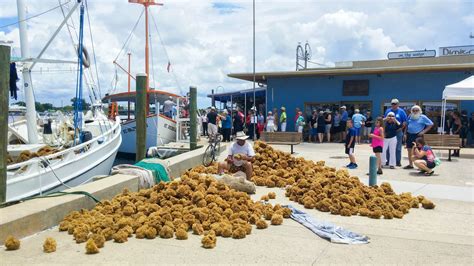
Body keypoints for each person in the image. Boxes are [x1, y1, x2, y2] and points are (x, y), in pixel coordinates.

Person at [404, 105, 433, 169]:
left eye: (416, 110)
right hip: (409, 135)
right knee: (409, 150)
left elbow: (431, 124)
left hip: (418, 135)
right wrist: (405, 134)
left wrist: (423, 131)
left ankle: (420, 165)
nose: (415, 111)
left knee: (419, 151)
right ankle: (410, 165)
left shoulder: (423, 117)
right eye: (413, 110)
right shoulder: (410, 116)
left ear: (420, 111)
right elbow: (407, 125)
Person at [384, 99, 407, 167]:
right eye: (392, 104)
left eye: (395, 104)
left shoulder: (401, 111)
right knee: (388, 147)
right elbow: (385, 121)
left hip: (398, 131)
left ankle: (397, 161)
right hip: (389, 131)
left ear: (398, 104)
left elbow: (404, 122)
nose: (393, 105)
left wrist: (400, 129)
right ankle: (387, 161)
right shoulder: (388, 110)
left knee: (398, 147)